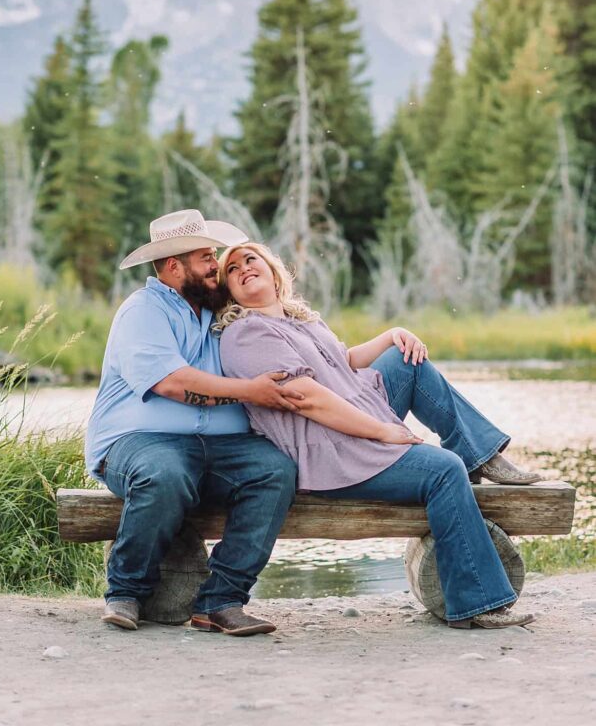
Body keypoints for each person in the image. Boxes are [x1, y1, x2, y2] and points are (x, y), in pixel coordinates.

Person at [216, 241, 543, 630]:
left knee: (409, 360)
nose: (243, 269)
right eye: (232, 270)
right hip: (328, 448)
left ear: (272, 270)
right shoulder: (245, 333)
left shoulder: (298, 319)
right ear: (229, 291)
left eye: (250, 259)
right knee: (443, 470)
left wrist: (392, 334)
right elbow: (307, 399)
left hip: (355, 415)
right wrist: (382, 431)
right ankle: (475, 604)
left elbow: (343, 361)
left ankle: (481, 454)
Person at [85, 211, 305, 637]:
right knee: (165, 472)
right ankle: (126, 591)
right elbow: (171, 383)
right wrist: (250, 392)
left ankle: (222, 601)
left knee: (275, 471)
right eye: (206, 257)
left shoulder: (222, 310)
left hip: (221, 447)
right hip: (139, 443)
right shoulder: (142, 311)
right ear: (173, 267)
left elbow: (295, 336)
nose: (216, 265)